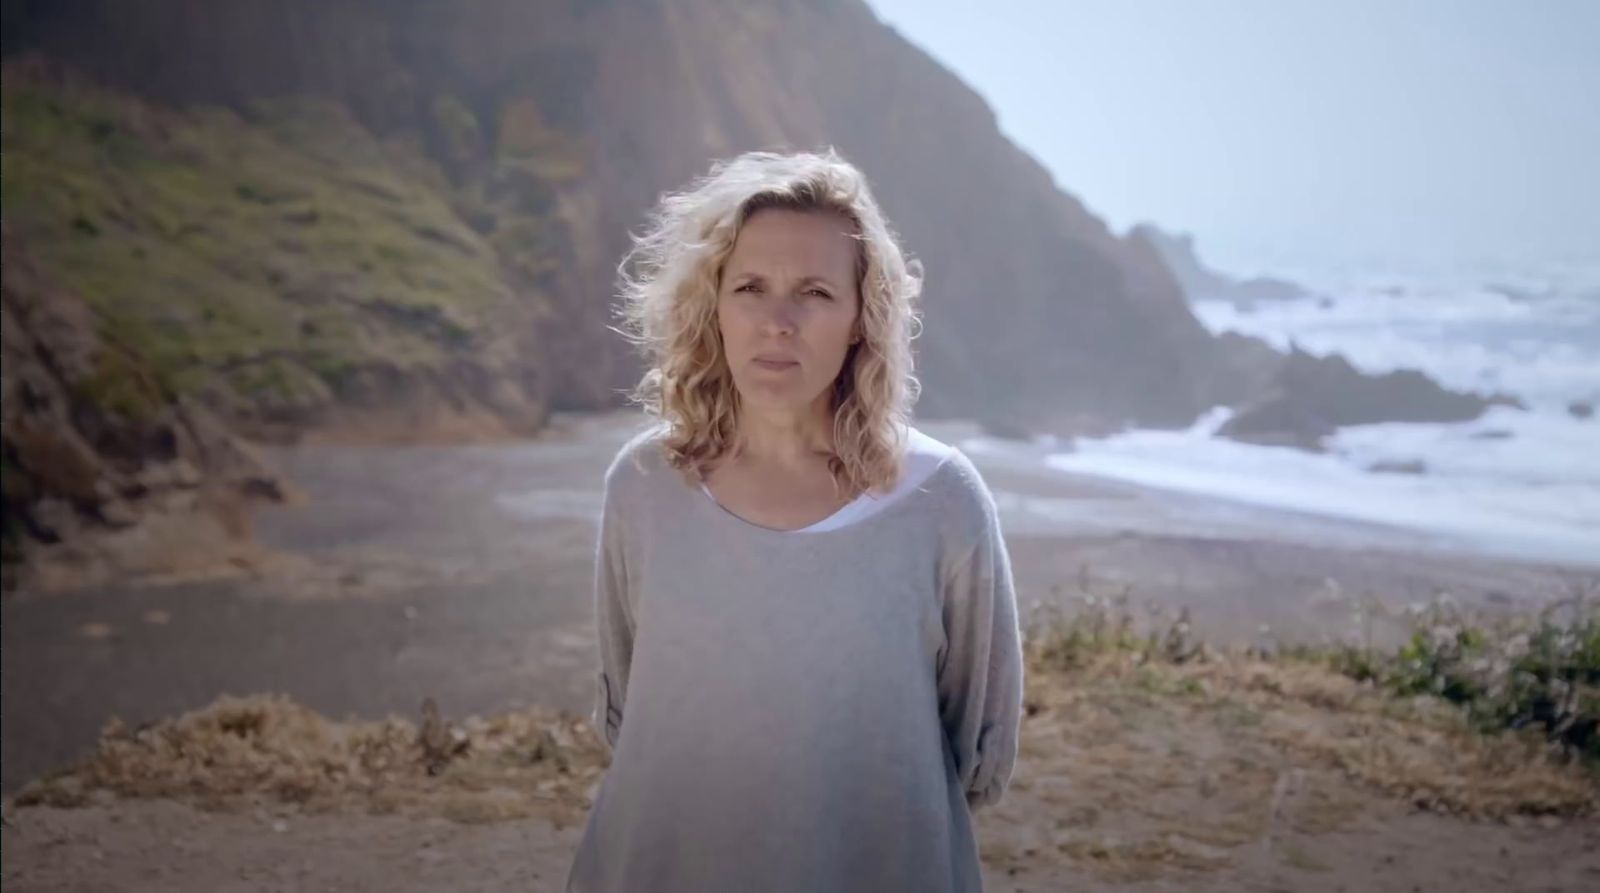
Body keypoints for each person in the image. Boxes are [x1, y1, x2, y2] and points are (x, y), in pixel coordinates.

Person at [565, 148, 1023, 893]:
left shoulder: (941, 499)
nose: (777, 322)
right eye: (750, 287)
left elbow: (977, 743)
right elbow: (629, 709)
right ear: (712, 306)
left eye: (813, 291)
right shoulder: (644, 485)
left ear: (858, 319)